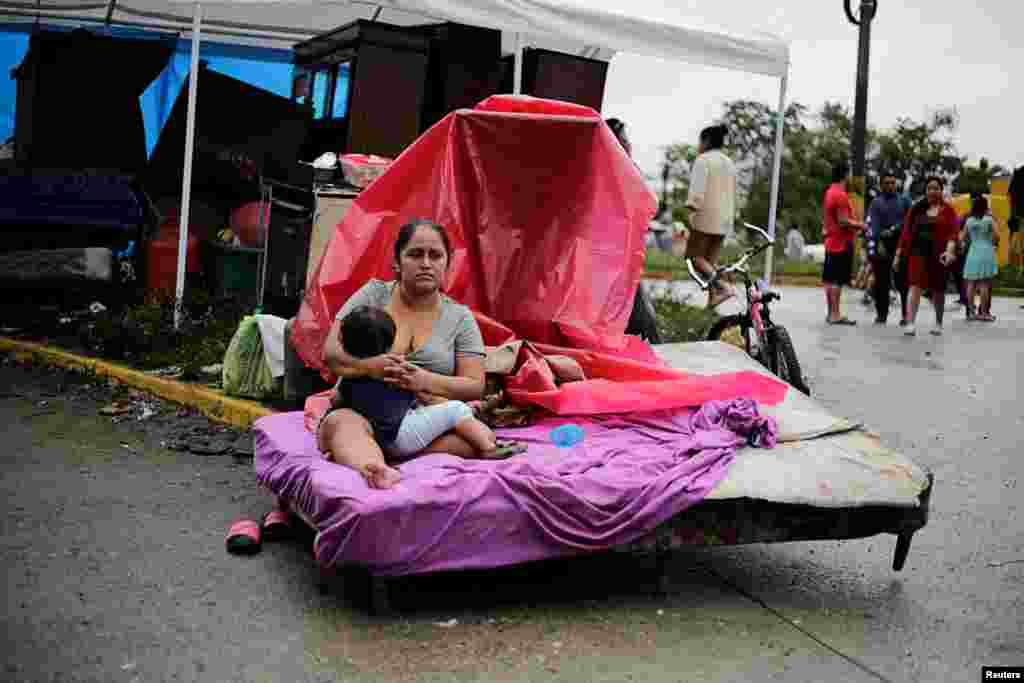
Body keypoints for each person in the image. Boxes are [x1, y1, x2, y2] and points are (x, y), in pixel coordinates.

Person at [318, 219, 523, 489]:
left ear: (447, 264)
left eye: (435, 255)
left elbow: (474, 385)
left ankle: (373, 453)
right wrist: (372, 367)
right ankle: (377, 469)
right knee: (340, 423)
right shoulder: (373, 295)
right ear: (397, 262)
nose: (426, 263)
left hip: (417, 422)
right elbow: (331, 353)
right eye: (415, 254)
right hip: (359, 414)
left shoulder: (460, 318)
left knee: (466, 440)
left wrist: (423, 380)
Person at [893, 176, 960, 336]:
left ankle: (938, 322)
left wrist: (950, 251)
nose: (932, 191)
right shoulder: (916, 209)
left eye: (936, 188)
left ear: (941, 190)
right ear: (926, 190)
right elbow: (906, 233)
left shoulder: (948, 210)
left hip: (939, 256)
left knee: (938, 290)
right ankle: (910, 323)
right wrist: (898, 254)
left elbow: (953, 233)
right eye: (929, 188)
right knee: (914, 286)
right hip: (918, 253)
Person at [686, 124, 737, 308]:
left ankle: (724, 287)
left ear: (706, 141)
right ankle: (711, 303)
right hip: (724, 221)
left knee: (695, 258)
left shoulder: (703, 160)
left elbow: (697, 192)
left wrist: (691, 211)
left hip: (705, 217)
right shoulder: (729, 163)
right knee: (710, 263)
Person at [821, 159, 865, 325]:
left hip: (831, 241)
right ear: (845, 174)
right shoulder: (840, 195)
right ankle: (835, 314)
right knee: (837, 280)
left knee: (830, 279)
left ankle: (831, 313)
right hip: (840, 242)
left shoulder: (829, 192)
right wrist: (861, 225)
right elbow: (843, 221)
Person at [866, 171, 912, 324]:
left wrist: (894, 229)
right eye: (887, 183)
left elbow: (910, 220)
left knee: (903, 282)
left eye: (893, 182)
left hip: (901, 244)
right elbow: (874, 224)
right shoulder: (876, 203)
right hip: (882, 245)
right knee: (881, 281)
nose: (891, 186)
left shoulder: (904, 201)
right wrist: (878, 242)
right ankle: (882, 314)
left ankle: (906, 315)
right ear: (881, 185)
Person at [961, 194, 999, 322]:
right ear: (985, 207)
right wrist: (992, 243)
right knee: (984, 284)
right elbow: (997, 236)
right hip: (986, 251)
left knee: (971, 284)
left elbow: (962, 238)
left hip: (973, 252)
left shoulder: (969, 221)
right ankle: (983, 313)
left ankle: (971, 313)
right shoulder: (989, 219)